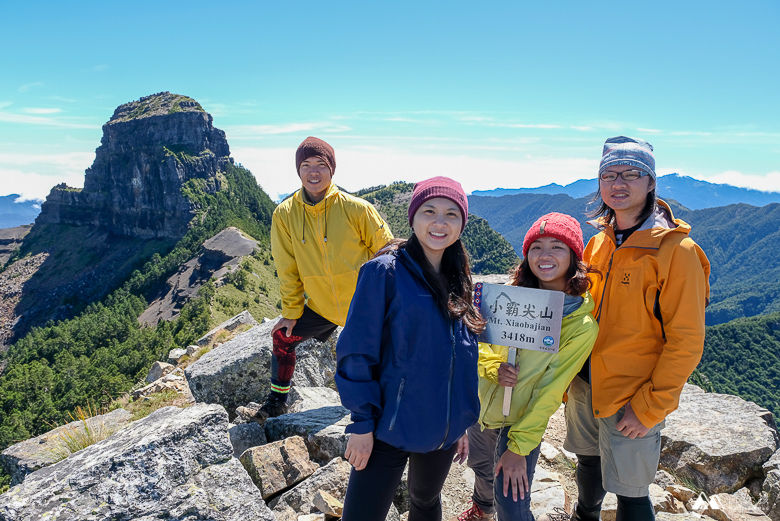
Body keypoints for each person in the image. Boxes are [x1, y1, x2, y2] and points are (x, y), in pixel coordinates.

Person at [561, 136, 710, 521]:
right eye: (609, 174)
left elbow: (687, 341)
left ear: (650, 182)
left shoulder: (677, 253)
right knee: (588, 462)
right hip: (584, 384)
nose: (618, 183)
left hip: (632, 395)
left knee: (631, 494)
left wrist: (649, 408)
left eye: (632, 173)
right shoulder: (598, 243)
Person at [336, 176, 485, 521]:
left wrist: (459, 422)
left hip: (441, 432)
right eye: (429, 211)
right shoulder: (384, 272)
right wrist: (361, 423)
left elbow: (462, 356)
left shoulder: (458, 277)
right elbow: (357, 351)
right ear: (413, 217)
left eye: (451, 214)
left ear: (462, 223)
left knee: (425, 502)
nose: (439, 223)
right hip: (387, 428)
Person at [452, 213, 599, 521]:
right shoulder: (507, 295)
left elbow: (552, 390)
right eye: (536, 247)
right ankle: (481, 507)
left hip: (520, 420)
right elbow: (476, 341)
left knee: (513, 503)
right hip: (482, 404)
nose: (544, 256)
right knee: (482, 467)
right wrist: (494, 368)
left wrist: (519, 448)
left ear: (574, 255)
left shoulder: (580, 324)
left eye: (557, 247)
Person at [259, 136, 393, 420]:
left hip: (363, 304)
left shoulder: (357, 209)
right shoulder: (285, 215)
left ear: (332, 169)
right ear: (298, 171)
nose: (313, 172)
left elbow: (389, 255)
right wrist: (292, 312)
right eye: (306, 165)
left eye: (320, 164)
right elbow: (288, 268)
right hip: (322, 306)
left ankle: (389, 404)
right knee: (282, 338)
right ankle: (277, 399)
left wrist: (390, 303)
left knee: (386, 355)